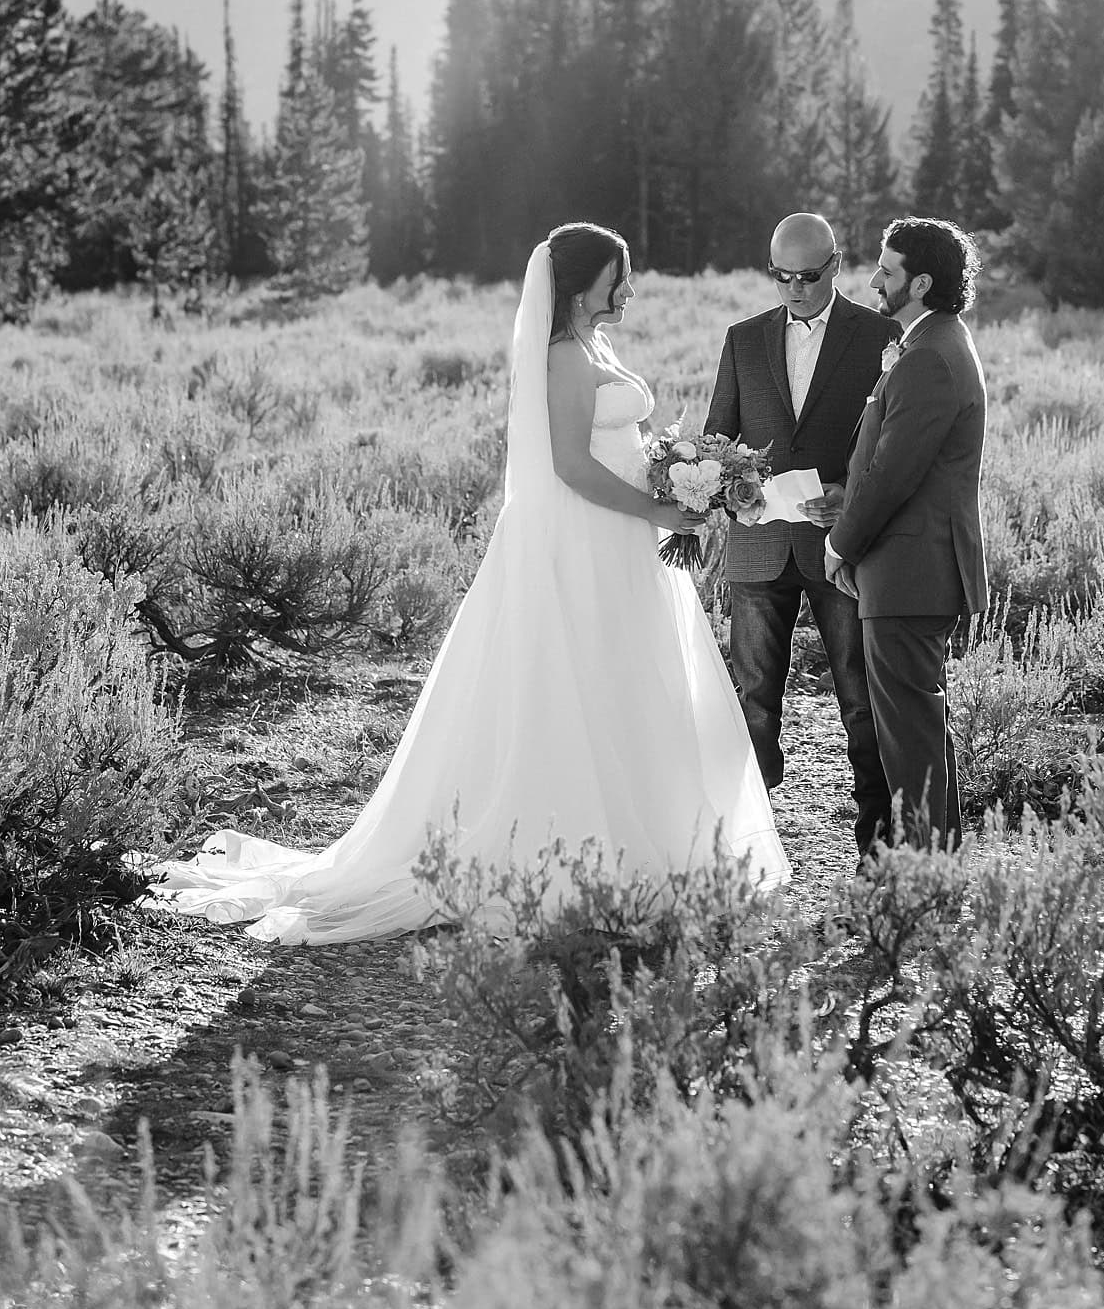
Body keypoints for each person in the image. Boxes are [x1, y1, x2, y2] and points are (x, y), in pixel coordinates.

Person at [151, 224, 789, 941]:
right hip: (586, 541)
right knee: (575, 682)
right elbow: (573, 469)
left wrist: (680, 475)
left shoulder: (593, 345)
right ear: (581, 285)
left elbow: (622, 446)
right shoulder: (561, 357)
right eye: (618, 279)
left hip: (621, 542)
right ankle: (576, 851)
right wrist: (661, 505)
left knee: (625, 682)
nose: (629, 293)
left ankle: (647, 840)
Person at [705, 210, 895, 860]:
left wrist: (849, 493)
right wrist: (735, 484)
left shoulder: (879, 336)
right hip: (759, 547)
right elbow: (718, 437)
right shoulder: (742, 338)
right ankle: (748, 840)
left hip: (840, 544)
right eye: (780, 276)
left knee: (859, 692)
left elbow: (892, 443)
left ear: (836, 265)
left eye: (806, 277)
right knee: (753, 698)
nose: (792, 288)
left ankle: (879, 841)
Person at [823, 216, 988, 848]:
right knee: (919, 728)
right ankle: (934, 863)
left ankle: (924, 875)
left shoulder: (928, 358)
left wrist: (841, 542)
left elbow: (895, 473)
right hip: (910, 567)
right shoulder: (935, 342)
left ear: (920, 281)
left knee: (910, 737)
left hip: (908, 571)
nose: (873, 280)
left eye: (887, 270)